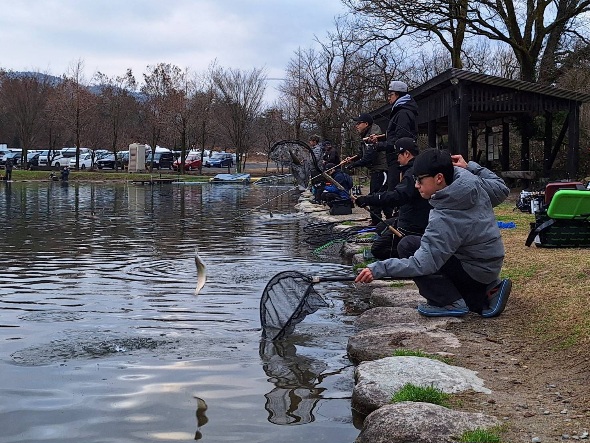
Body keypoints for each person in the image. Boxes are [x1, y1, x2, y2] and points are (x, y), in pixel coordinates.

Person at [355, 148, 512, 319]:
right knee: (415, 244)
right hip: (489, 265)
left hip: (475, 271)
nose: (416, 185)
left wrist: (379, 268)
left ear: (439, 178)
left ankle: (452, 302)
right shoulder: (470, 181)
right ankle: (489, 288)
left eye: (420, 180)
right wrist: (470, 166)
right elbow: (501, 188)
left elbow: (423, 264)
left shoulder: (445, 215)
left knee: (408, 246)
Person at [354, 138, 431, 259]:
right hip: (407, 216)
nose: (397, 158)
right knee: (380, 227)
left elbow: (397, 196)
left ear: (406, 154)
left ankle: (408, 253)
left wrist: (368, 199)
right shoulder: (411, 170)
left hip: (413, 224)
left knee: (378, 249)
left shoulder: (413, 173)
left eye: (398, 154)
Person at [367, 80, 418, 193]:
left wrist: (379, 146)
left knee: (395, 193)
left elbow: (401, 140)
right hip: (395, 161)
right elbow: (395, 136)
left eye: (391, 95)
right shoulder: (399, 112)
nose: (388, 98)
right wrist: (379, 139)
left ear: (398, 95)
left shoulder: (403, 113)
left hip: (398, 162)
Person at [345, 113, 389, 225]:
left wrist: (354, 165)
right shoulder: (364, 136)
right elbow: (361, 154)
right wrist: (352, 160)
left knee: (377, 196)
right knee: (376, 195)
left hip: (381, 170)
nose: (356, 126)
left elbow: (369, 157)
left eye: (358, 123)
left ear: (366, 124)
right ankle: (379, 221)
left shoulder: (373, 136)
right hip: (375, 170)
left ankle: (379, 222)